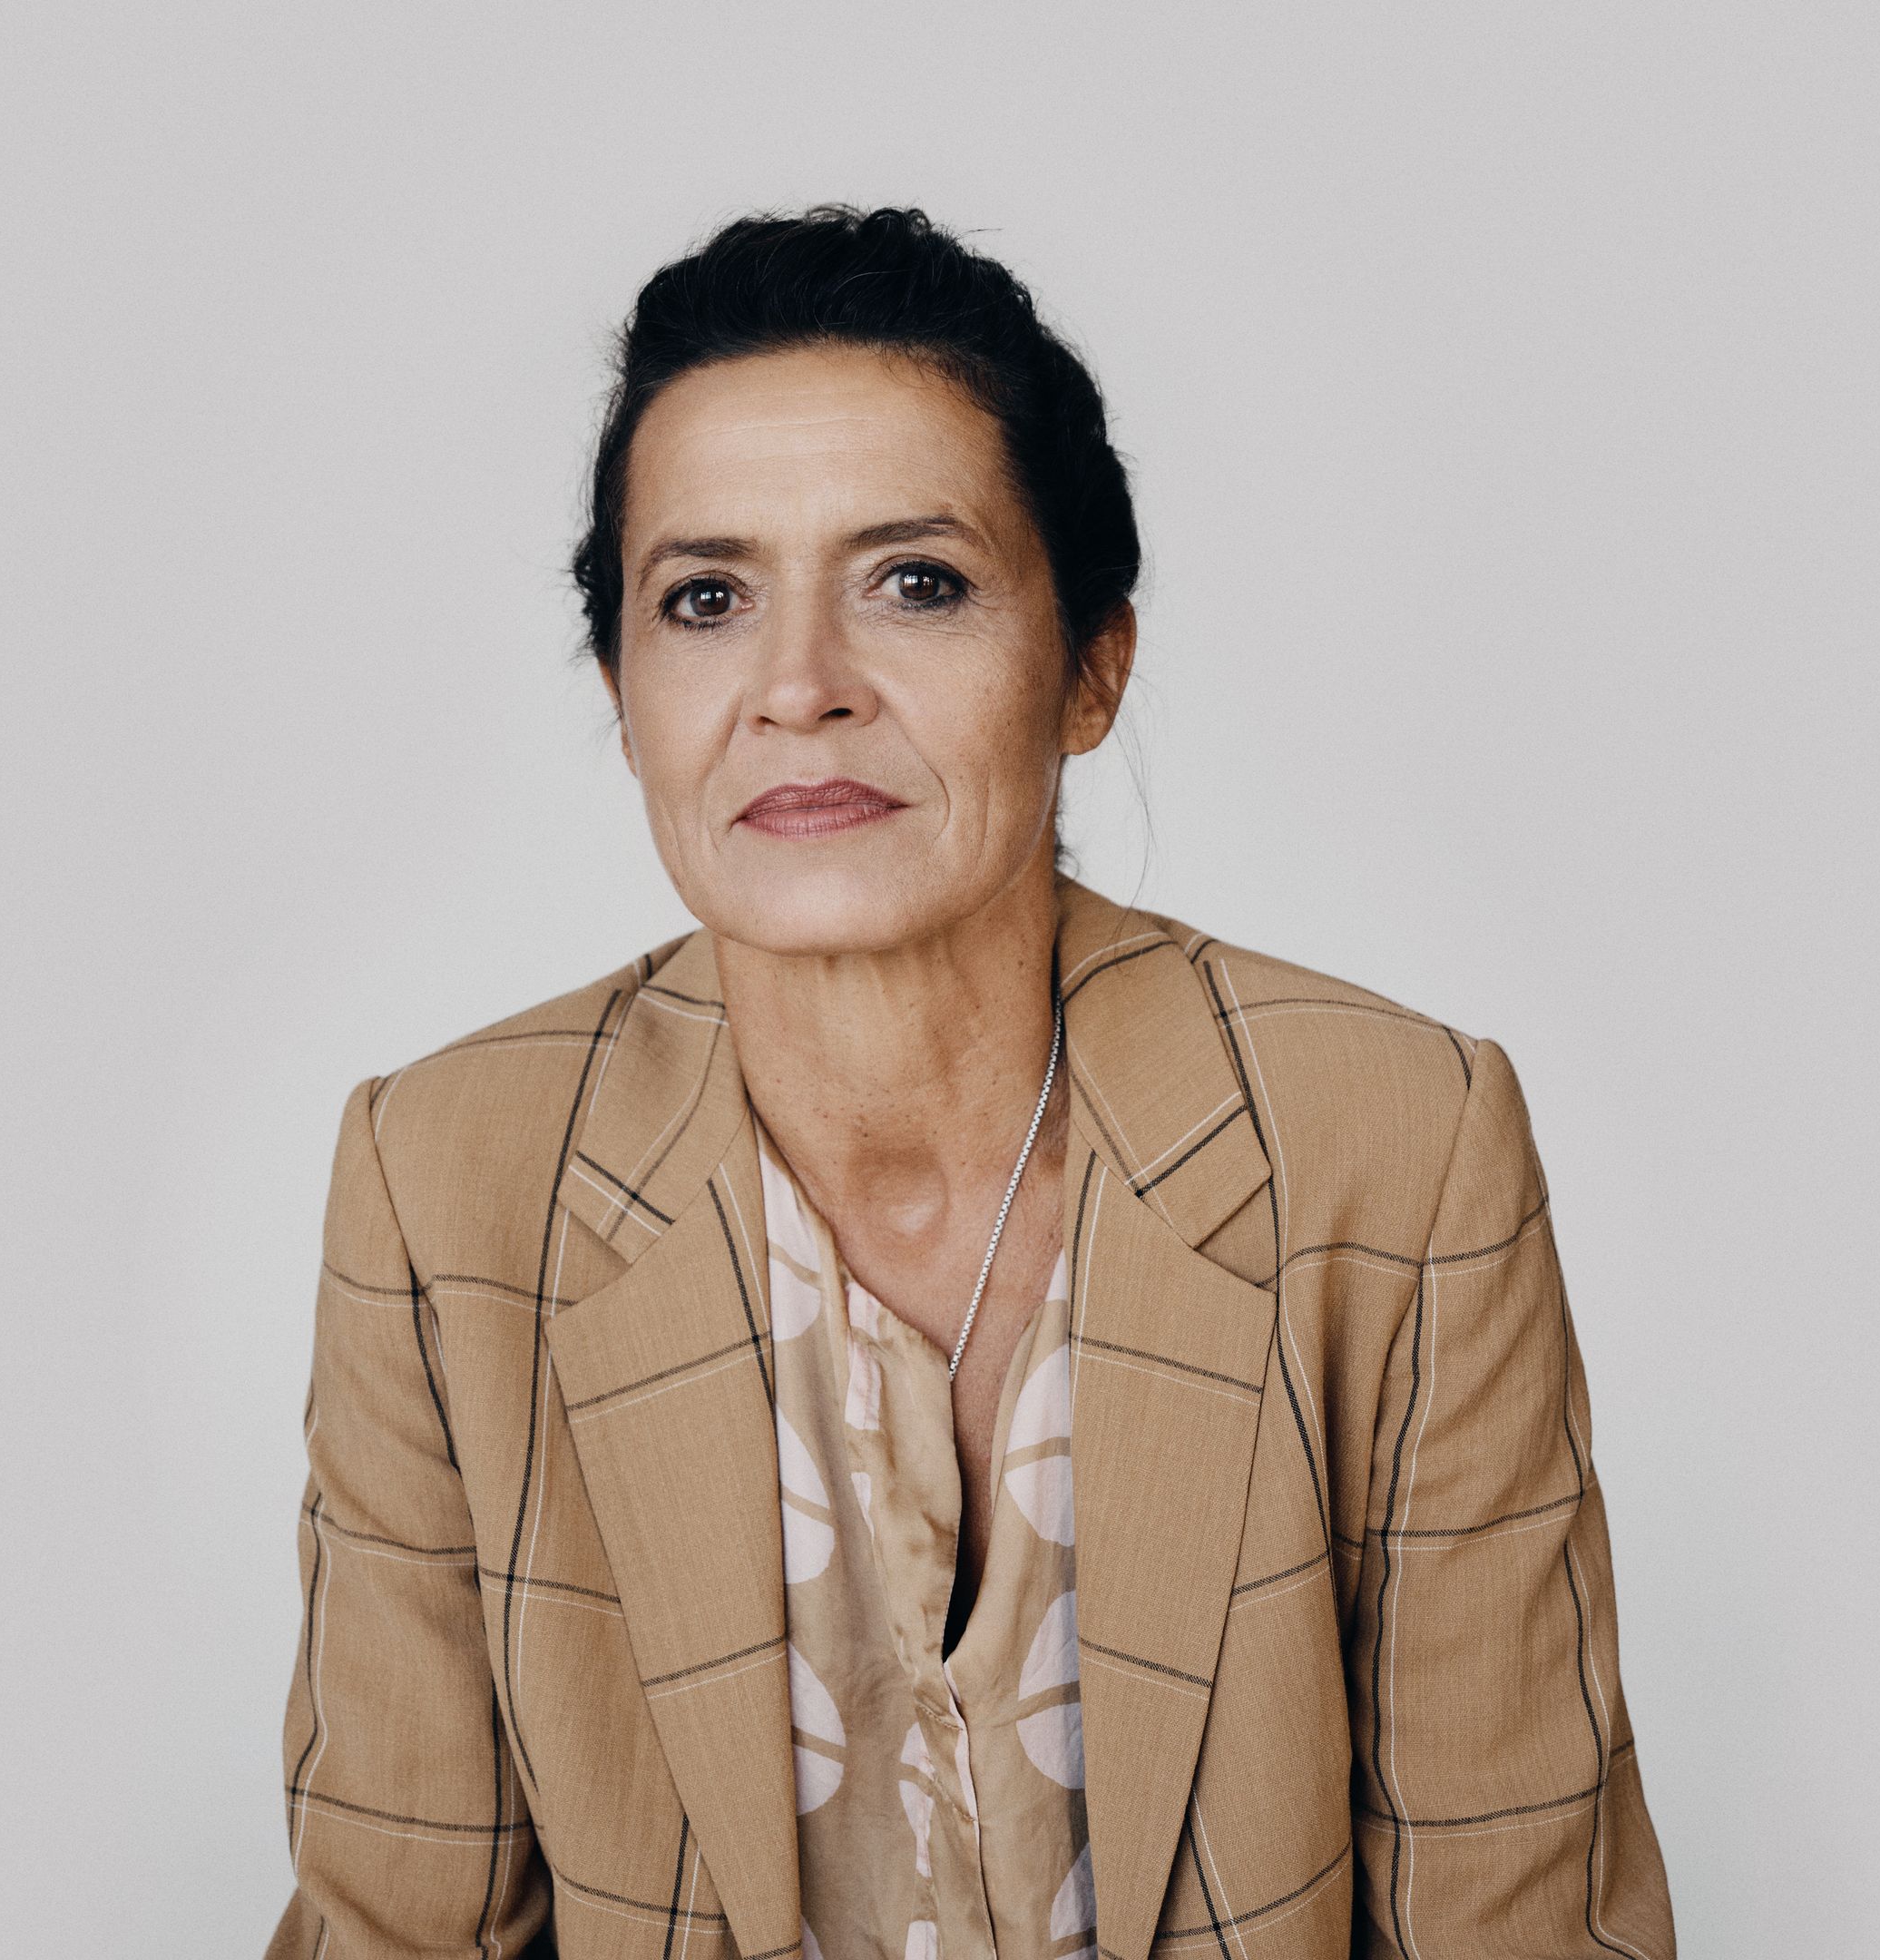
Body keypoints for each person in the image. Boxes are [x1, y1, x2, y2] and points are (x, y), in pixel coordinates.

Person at [268, 206, 1675, 1960]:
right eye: (706, 599)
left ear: (1091, 667)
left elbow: (1518, 1923)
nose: (799, 689)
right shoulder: (444, 1185)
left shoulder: (1393, 1150)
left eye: (915, 582)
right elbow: (398, 1928)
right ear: (625, 698)